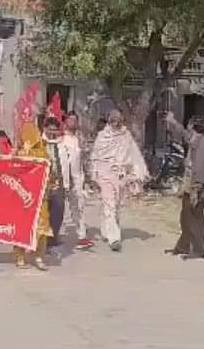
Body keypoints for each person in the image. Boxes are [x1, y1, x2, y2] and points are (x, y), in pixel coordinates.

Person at [89, 109, 148, 252]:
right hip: (105, 174)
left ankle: (106, 230)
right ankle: (114, 238)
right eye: (114, 120)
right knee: (109, 204)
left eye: (119, 120)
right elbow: (95, 156)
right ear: (109, 121)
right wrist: (94, 174)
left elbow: (134, 155)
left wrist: (138, 173)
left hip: (120, 176)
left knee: (115, 205)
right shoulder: (102, 136)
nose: (116, 123)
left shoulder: (126, 135)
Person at [164, 112, 204, 260]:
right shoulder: (195, 140)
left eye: (189, 125)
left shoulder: (201, 144)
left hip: (196, 187)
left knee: (195, 218)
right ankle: (182, 246)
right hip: (189, 185)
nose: (187, 127)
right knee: (185, 217)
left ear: (193, 126)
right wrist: (172, 121)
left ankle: (198, 251)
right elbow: (183, 133)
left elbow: (200, 169)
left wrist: (196, 189)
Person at [13, 123, 53, 271]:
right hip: (23, 195)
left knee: (41, 226)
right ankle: (22, 255)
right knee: (23, 225)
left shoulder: (42, 152)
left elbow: (49, 171)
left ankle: (37, 256)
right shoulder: (18, 153)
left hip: (39, 195)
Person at [43, 116, 85, 255]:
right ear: (45, 129)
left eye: (55, 130)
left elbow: (68, 164)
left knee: (58, 212)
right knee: (44, 213)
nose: (52, 133)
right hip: (43, 183)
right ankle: (44, 241)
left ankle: (53, 237)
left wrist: (69, 183)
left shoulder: (62, 144)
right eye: (50, 130)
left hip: (59, 182)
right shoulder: (39, 143)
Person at [62, 112, 93, 250]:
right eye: (70, 120)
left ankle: (82, 236)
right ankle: (50, 236)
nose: (73, 123)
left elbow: (84, 160)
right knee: (57, 208)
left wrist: (87, 178)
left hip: (77, 178)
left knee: (78, 207)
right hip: (61, 179)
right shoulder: (60, 138)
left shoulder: (79, 139)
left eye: (75, 120)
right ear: (65, 121)